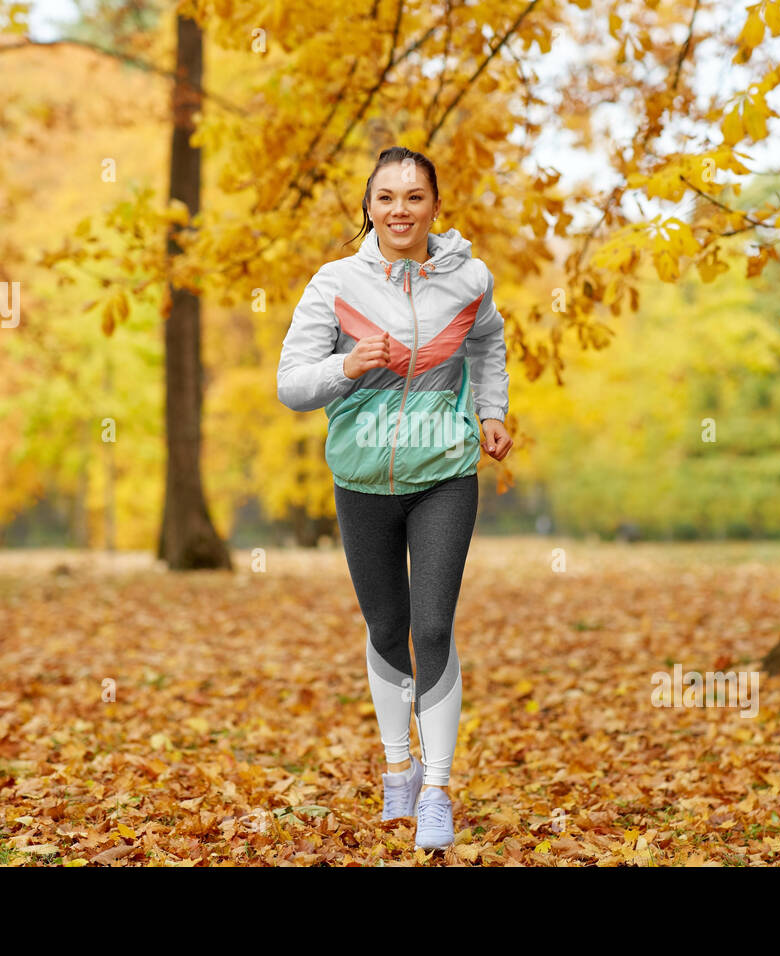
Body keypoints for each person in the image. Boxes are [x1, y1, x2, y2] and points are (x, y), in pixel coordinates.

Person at [276, 145, 512, 851]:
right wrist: (345, 365)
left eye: (414, 197)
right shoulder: (334, 283)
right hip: (361, 480)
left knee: (432, 627)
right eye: (386, 197)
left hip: (444, 472)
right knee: (387, 629)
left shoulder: (470, 278)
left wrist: (491, 412)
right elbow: (291, 385)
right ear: (368, 206)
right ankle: (398, 769)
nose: (400, 210)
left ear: (436, 206)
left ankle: (437, 789)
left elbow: (488, 341)